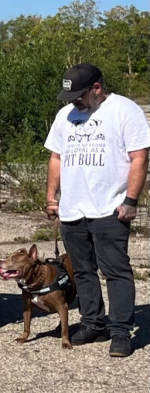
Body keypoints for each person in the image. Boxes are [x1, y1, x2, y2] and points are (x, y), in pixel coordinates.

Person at [44, 63, 149, 358]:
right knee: (83, 270)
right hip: (73, 209)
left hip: (110, 207)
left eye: (79, 95)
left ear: (97, 89)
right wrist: (52, 198)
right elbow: (56, 156)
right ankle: (92, 323)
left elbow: (139, 157)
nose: (74, 101)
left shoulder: (125, 111)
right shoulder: (65, 114)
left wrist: (130, 200)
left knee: (116, 271)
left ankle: (120, 331)